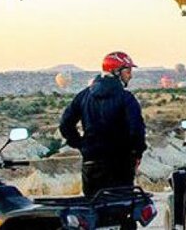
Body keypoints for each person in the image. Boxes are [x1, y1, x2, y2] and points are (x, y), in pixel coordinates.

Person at [59, 52, 146, 198]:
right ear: (116, 71)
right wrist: (136, 153)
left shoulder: (84, 96)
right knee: (122, 208)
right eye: (128, 71)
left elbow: (65, 124)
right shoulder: (126, 98)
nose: (131, 76)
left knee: (93, 209)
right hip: (121, 163)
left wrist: (82, 145)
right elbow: (136, 130)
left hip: (92, 163)